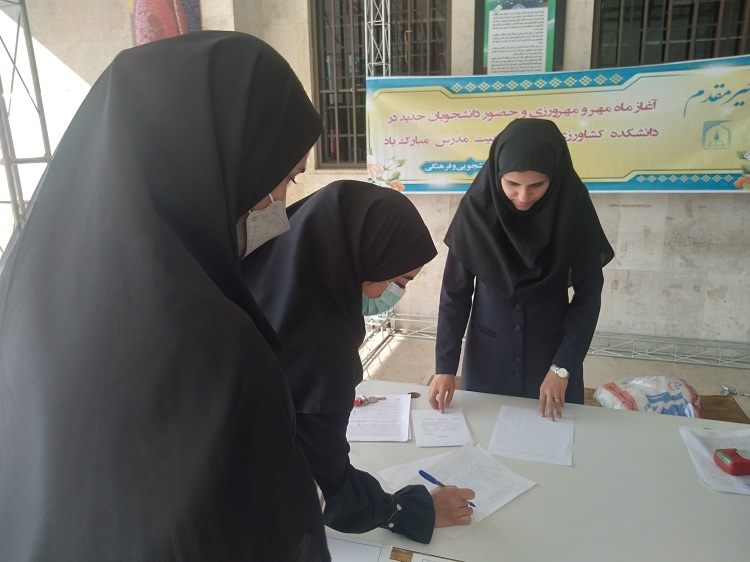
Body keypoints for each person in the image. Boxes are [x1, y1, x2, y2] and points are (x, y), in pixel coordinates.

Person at [0, 31, 331, 561]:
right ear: (217, 164)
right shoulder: (213, 345)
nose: (280, 207)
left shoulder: (25, 292)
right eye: (284, 179)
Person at [243, 180, 476, 544]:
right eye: (399, 280)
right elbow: (324, 483)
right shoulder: (318, 339)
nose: (396, 293)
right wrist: (408, 511)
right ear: (357, 257)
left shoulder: (258, 277)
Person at [429, 118, 614, 421]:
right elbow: (455, 294)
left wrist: (562, 367)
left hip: (552, 361)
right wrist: (445, 367)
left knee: (555, 438)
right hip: (488, 359)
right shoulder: (476, 212)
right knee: (483, 436)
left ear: (555, 176)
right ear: (497, 174)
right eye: (512, 184)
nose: (523, 197)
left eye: (537, 185)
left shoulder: (573, 210)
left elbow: (588, 298)